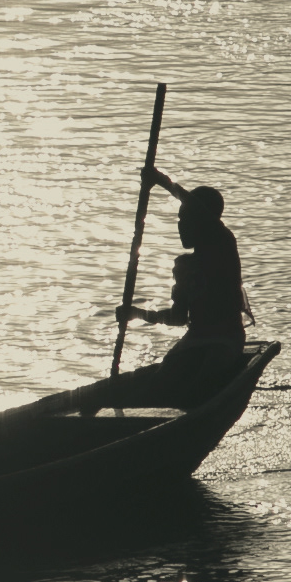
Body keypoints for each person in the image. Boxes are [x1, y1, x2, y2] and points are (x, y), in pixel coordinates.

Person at [117, 169, 254, 406]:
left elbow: (198, 207)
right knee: (157, 387)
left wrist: (162, 181)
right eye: (180, 221)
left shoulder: (224, 244)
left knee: (201, 385)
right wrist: (137, 314)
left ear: (204, 222)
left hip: (225, 339)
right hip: (195, 339)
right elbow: (178, 318)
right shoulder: (184, 266)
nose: (182, 227)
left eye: (188, 220)